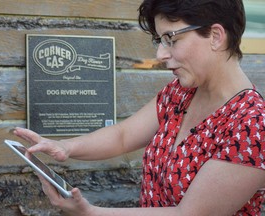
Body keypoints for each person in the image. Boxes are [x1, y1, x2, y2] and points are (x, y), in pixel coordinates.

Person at [14, 0, 265, 215]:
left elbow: (188, 213)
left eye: (171, 39)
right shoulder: (180, 93)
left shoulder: (253, 124)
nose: (161, 54)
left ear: (215, 36)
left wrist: (91, 212)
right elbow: (123, 135)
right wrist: (65, 147)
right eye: (159, 39)